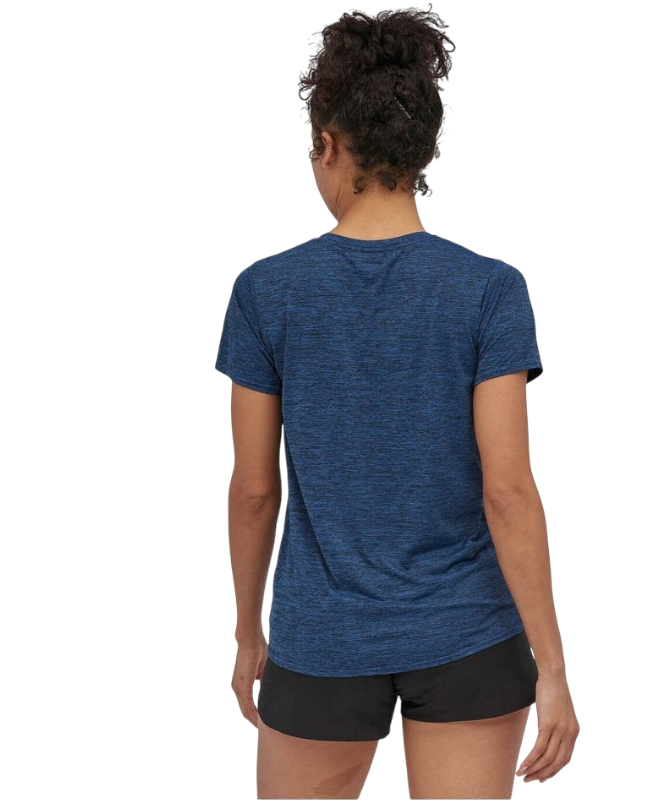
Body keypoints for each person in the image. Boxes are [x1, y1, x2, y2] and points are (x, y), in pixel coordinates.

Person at [216, 7, 579, 798]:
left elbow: (254, 492)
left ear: (327, 143)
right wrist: (552, 668)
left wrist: (247, 635)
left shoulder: (265, 292)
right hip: (469, 634)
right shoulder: (490, 289)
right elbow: (509, 490)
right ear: (420, 152)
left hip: (321, 641)